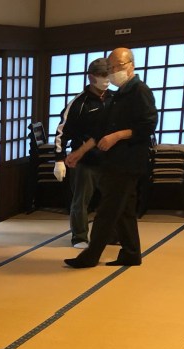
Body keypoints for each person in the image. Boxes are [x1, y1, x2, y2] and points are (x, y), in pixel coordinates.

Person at [64, 48, 157, 269]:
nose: (114, 71)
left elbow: (148, 125)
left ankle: (91, 256)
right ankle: (131, 253)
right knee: (124, 210)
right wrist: (79, 152)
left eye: (118, 66)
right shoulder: (119, 94)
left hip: (128, 161)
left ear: (131, 65)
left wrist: (117, 136)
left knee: (107, 210)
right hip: (114, 161)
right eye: (111, 67)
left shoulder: (140, 91)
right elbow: (101, 130)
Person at [53, 57, 112, 249]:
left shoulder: (115, 99)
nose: (106, 79)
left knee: (113, 200)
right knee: (80, 200)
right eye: (102, 75)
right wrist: (59, 159)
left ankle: (112, 235)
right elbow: (61, 132)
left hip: (111, 159)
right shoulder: (79, 103)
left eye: (108, 75)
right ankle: (79, 236)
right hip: (85, 160)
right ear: (91, 77)